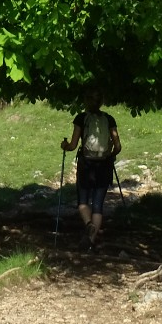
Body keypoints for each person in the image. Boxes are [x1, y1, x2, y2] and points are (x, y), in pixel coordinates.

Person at [61, 92, 121, 249]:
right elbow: (118, 146)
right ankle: (91, 241)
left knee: (82, 202)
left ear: (86, 102)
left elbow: (73, 145)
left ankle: (88, 224)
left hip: (86, 165)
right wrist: (109, 155)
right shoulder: (109, 119)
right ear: (101, 102)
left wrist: (65, 146)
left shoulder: (81, 118)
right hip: (104, 166)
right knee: (98, 205)